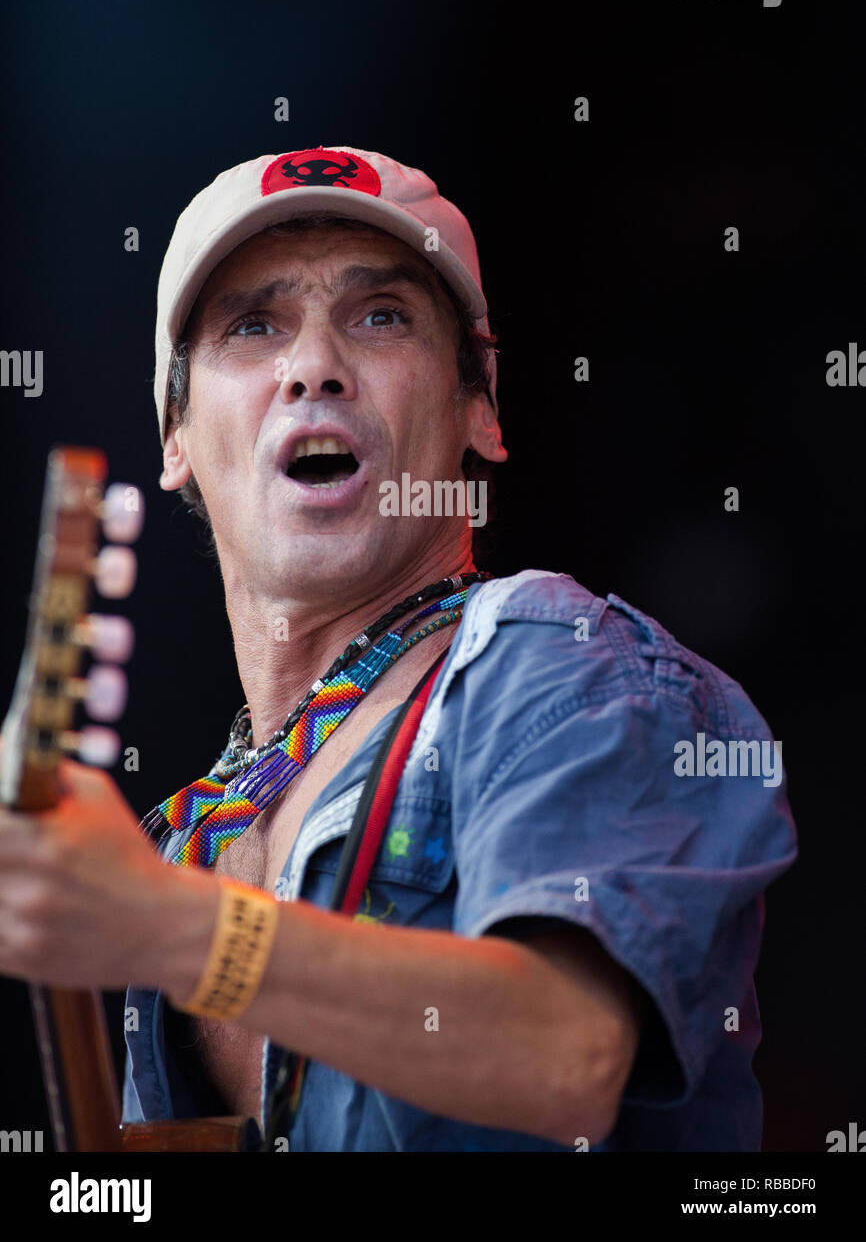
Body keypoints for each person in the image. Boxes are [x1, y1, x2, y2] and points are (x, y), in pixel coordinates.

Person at [0, 146, 797, 1152]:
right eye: (253, 324)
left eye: (380, 316)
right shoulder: (187, 835)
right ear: (174, 436)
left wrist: (173, 927)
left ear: (481, 406)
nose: (313, 366)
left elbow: (563, 1052)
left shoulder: (559, 664)